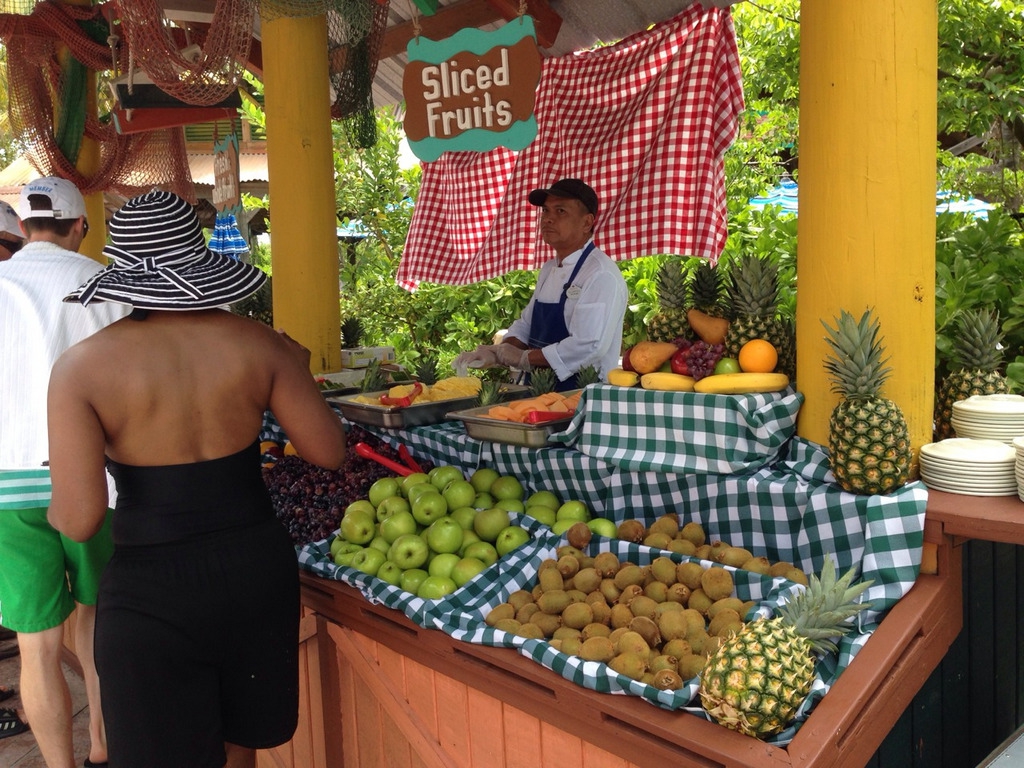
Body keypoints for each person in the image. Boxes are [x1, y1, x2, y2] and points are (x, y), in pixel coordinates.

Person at [46, 190, 347, 768]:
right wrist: (298, 371)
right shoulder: (260, 344)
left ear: (123, 272)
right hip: (253, 570)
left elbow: (80, 520)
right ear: (198, 259)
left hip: (152, 588)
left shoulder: (82, 368)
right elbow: (327, 451)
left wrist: (57, 495)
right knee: (240, 743)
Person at [0, 176, 129, 767]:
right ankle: (103, 745)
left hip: (7, 486)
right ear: (81, 226)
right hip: (90, 480)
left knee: (37, 647)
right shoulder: (104, 283)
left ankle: (60, 766)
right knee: (97, 622)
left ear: (23, 228)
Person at [455, 178, 628, 390]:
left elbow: (588, 346)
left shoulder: (601, 274)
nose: (548, 219)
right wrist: (497, 352)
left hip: (581, 396)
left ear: (587, 222)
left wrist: (525, 358)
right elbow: (526, 325)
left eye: (560, 211)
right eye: (545, 211)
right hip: (539, 392)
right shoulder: (548, 269)